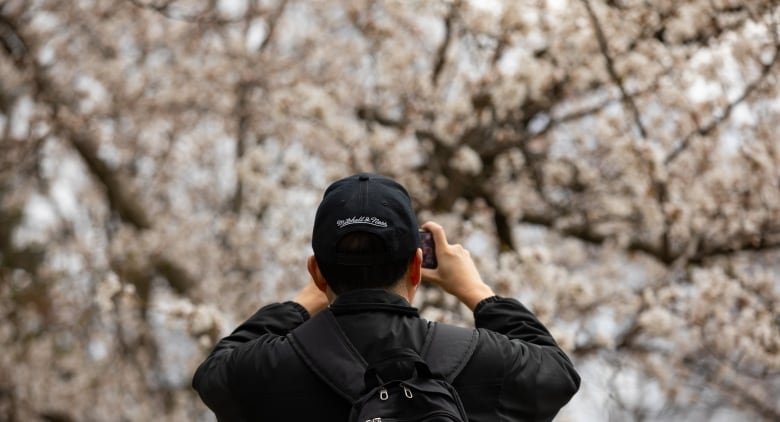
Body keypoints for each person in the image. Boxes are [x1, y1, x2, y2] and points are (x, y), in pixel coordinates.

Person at [192, 173, 580, 421]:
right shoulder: (478, 360)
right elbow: (558, 375)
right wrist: (477, 292)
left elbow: (213, 375)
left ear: (317, 272)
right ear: (415, 267)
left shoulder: (272, 367)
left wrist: (299, 304)